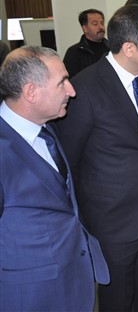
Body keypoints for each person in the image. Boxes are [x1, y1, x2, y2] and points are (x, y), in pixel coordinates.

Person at [56, 4, 138, 311]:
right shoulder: (85, 89)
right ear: (129, 48)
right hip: (111, 224)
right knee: (117, 301)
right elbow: (69, 162)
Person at [0, 46, 109, 311]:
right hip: (30, 295)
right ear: (31, 92)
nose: (72, 91)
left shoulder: (46, 129)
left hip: (71, 282)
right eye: (62, 82)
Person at [63, 8, 109, 78]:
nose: (101, 27)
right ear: (85, 29)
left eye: (102, 23)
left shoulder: (112, 48)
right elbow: (70, 79)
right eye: (95, 24)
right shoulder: (73, 52)